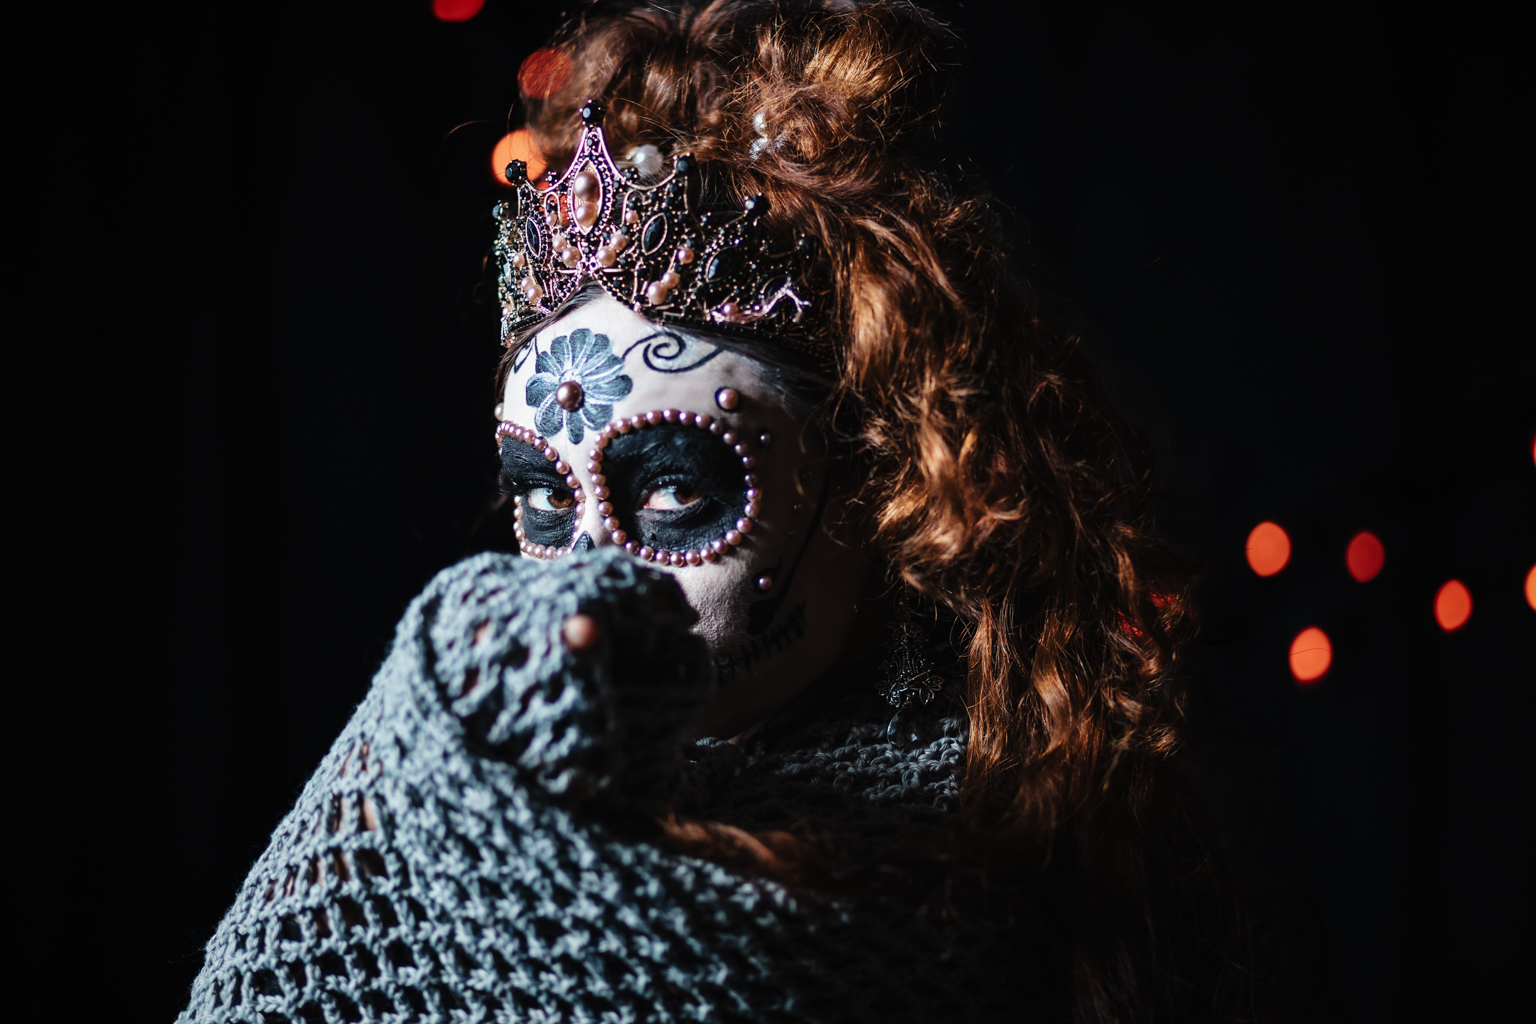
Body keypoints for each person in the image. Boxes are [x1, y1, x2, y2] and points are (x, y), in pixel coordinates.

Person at [178, 2, 1261, 1021]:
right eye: (545, 502)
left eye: (677, 490)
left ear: (891, 487)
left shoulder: (1042, 863)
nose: (588, 582)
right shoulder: (449, 824)